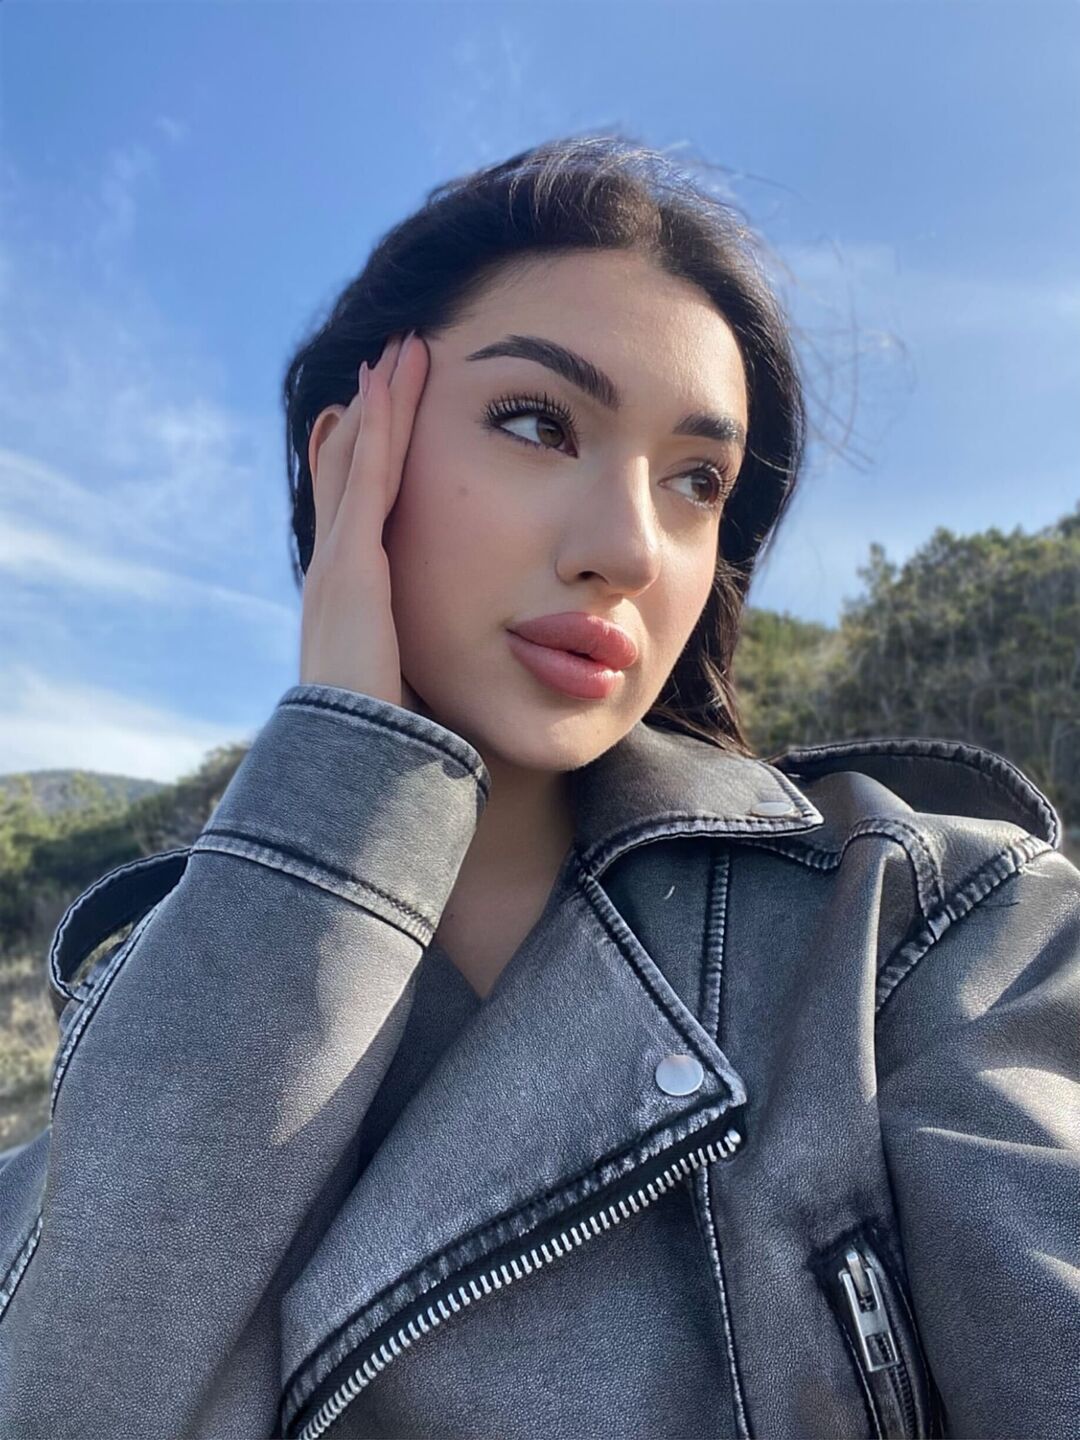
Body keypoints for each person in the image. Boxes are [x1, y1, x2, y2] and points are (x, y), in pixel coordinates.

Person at [1, 133, 1077, 1440]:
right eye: (537, 422)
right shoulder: (141, 1028)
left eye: (697, 482)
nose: (630, 547)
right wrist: (337, 775)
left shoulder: (929, 928)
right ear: (351, 457)